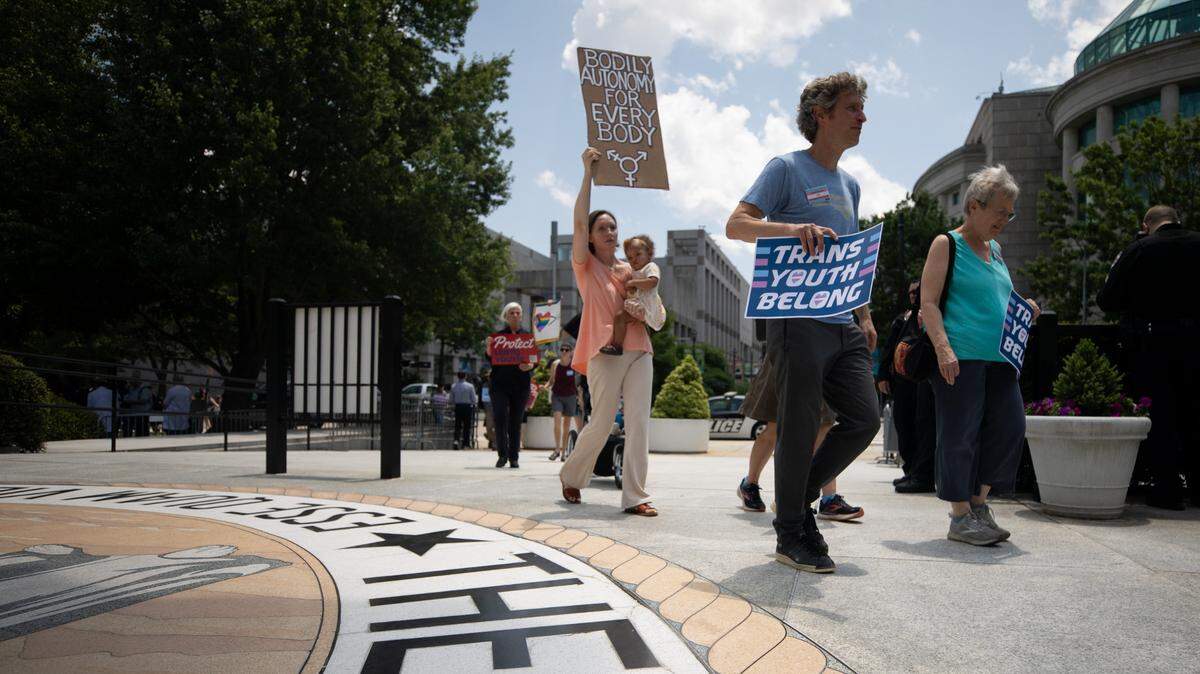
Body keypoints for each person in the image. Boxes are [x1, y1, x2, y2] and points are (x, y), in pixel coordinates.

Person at [725, 72, 880, 573]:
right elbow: (737, 223)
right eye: (853, 107)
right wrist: (794, 228)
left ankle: (803, 493)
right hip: (796, 319)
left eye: (862, 107)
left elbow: (853, 258)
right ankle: (791, 532)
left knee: (865, 418)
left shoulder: (850, 184)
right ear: (822, 114)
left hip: (844, 322)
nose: (862, 116)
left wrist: (865, 314)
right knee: (796, 429)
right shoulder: (786, 169)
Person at [920, 164, 1040, 546]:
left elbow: (999, 298)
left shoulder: (997, 250)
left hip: (1002, 358)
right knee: (959, 434)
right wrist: (943, 348)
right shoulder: (947, 244)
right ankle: (959, 516)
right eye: (999, 212)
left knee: (1010, 427)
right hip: (961, 356)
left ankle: (978, 504)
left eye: (1009, 213)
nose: (1004, 220)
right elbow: (928, 303)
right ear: (974, 206)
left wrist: (1026, 307)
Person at [560, 146, 657, 516]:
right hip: (604, 350)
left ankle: (636, 496)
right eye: (603, 227)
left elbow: (652, 297)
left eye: (614, 227)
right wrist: (588, 171)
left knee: (638, 423)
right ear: (590, 237)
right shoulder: (585, 266)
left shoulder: (631, 270)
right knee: (600, 423)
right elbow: (580, 222)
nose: (610, 231)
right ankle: (572, 475)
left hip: (640, 348)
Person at [1097, 205, 1200, 510]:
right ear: (1178, 219)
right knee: (1196, 412)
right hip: (1197, 344)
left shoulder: (1139, 249)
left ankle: (1167, 489)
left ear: (1146, 225)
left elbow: (1107, 299)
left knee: (1161, 416)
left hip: (1153, 344)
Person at [736, 345, 864, 521]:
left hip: (823, 349)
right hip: (788, 343)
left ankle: (828, 499)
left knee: (824, 424)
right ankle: (750, 484)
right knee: (774, 426)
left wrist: (864, 319)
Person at [878, 282, 937, 493]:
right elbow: (890, 348)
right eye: (911, 292)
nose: (913, 295)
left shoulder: (928, 314)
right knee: (903, 425)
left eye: (917, 292)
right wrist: (883, 375)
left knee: (922, 427)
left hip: (921, 379)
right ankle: (911, 470)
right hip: (903, 382)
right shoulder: (903, 319)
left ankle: (921, 473)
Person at [600, 235, 666, 356]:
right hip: (639, 309)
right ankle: (617, 345)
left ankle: (622, 344)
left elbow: (652, 282)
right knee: (620, 317)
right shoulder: (633, 272)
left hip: (649, 308)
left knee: (625, 317)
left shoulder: (650, 267)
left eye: (638, 254)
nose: (634, 260)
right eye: (630, 258)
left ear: (649, 253)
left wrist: (633, 282)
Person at [487, 302, 534, 468]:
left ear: (521, 316)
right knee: (500, 418)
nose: (515, 315)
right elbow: (490, 359)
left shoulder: (528, 337)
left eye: (517, 313)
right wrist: (488, 347)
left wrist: (530, 366)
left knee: (515, 421)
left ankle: (514, 457)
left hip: (520, 385)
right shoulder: (497, 338)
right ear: (506, 316)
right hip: (499, 385)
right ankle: (502, 455)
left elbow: (533, 360)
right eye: (512, 313)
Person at [548, 344, 583, 461]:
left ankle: (563, 452)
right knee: (557, 421)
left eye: (566, 350)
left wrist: (580, 398)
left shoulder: (574, 365)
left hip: (570, 397)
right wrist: (545, 386)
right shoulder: (555, 364)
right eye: (562, 349)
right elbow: (551, 380)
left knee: (566, 425)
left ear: (571, 352)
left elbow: (577, 384)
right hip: (557, 395)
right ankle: (557, 449)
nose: (563, 352)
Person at [451, 372, 477, 450]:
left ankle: (456, 441)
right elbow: (474, 399)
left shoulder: (453, 386)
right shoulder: (470, 386)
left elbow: (451, 399)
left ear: (458, 377)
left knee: (457, 425)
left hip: (458, 407)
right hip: (467, 407)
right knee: (467, 426)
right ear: (465, 376)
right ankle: (466, 443)